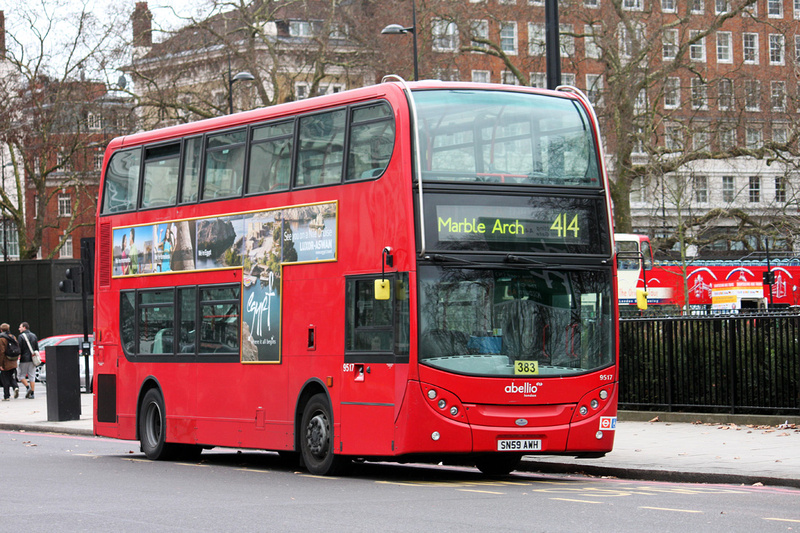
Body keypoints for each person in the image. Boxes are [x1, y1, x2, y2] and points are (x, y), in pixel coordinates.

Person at [17, 322, 39, 399]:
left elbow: (19, 348)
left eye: (20, 327)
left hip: (24, 358)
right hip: (33, 359)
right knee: (32, 376)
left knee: (20, 375)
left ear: (24, 327)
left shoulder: (21, 336)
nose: (19, 329)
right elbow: (36, 348)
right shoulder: (34, 335)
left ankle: (27, 387)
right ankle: (32, 393)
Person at [0, 323, 19, 401]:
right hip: (13, 360)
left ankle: (6, 396)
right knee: (12, 376)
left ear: (1, 330)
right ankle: (16, 387)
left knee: (5, 379)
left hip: (6, 361)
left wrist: (0, 364)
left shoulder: (2, 338)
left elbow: (1, 352)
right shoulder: (13, 337)